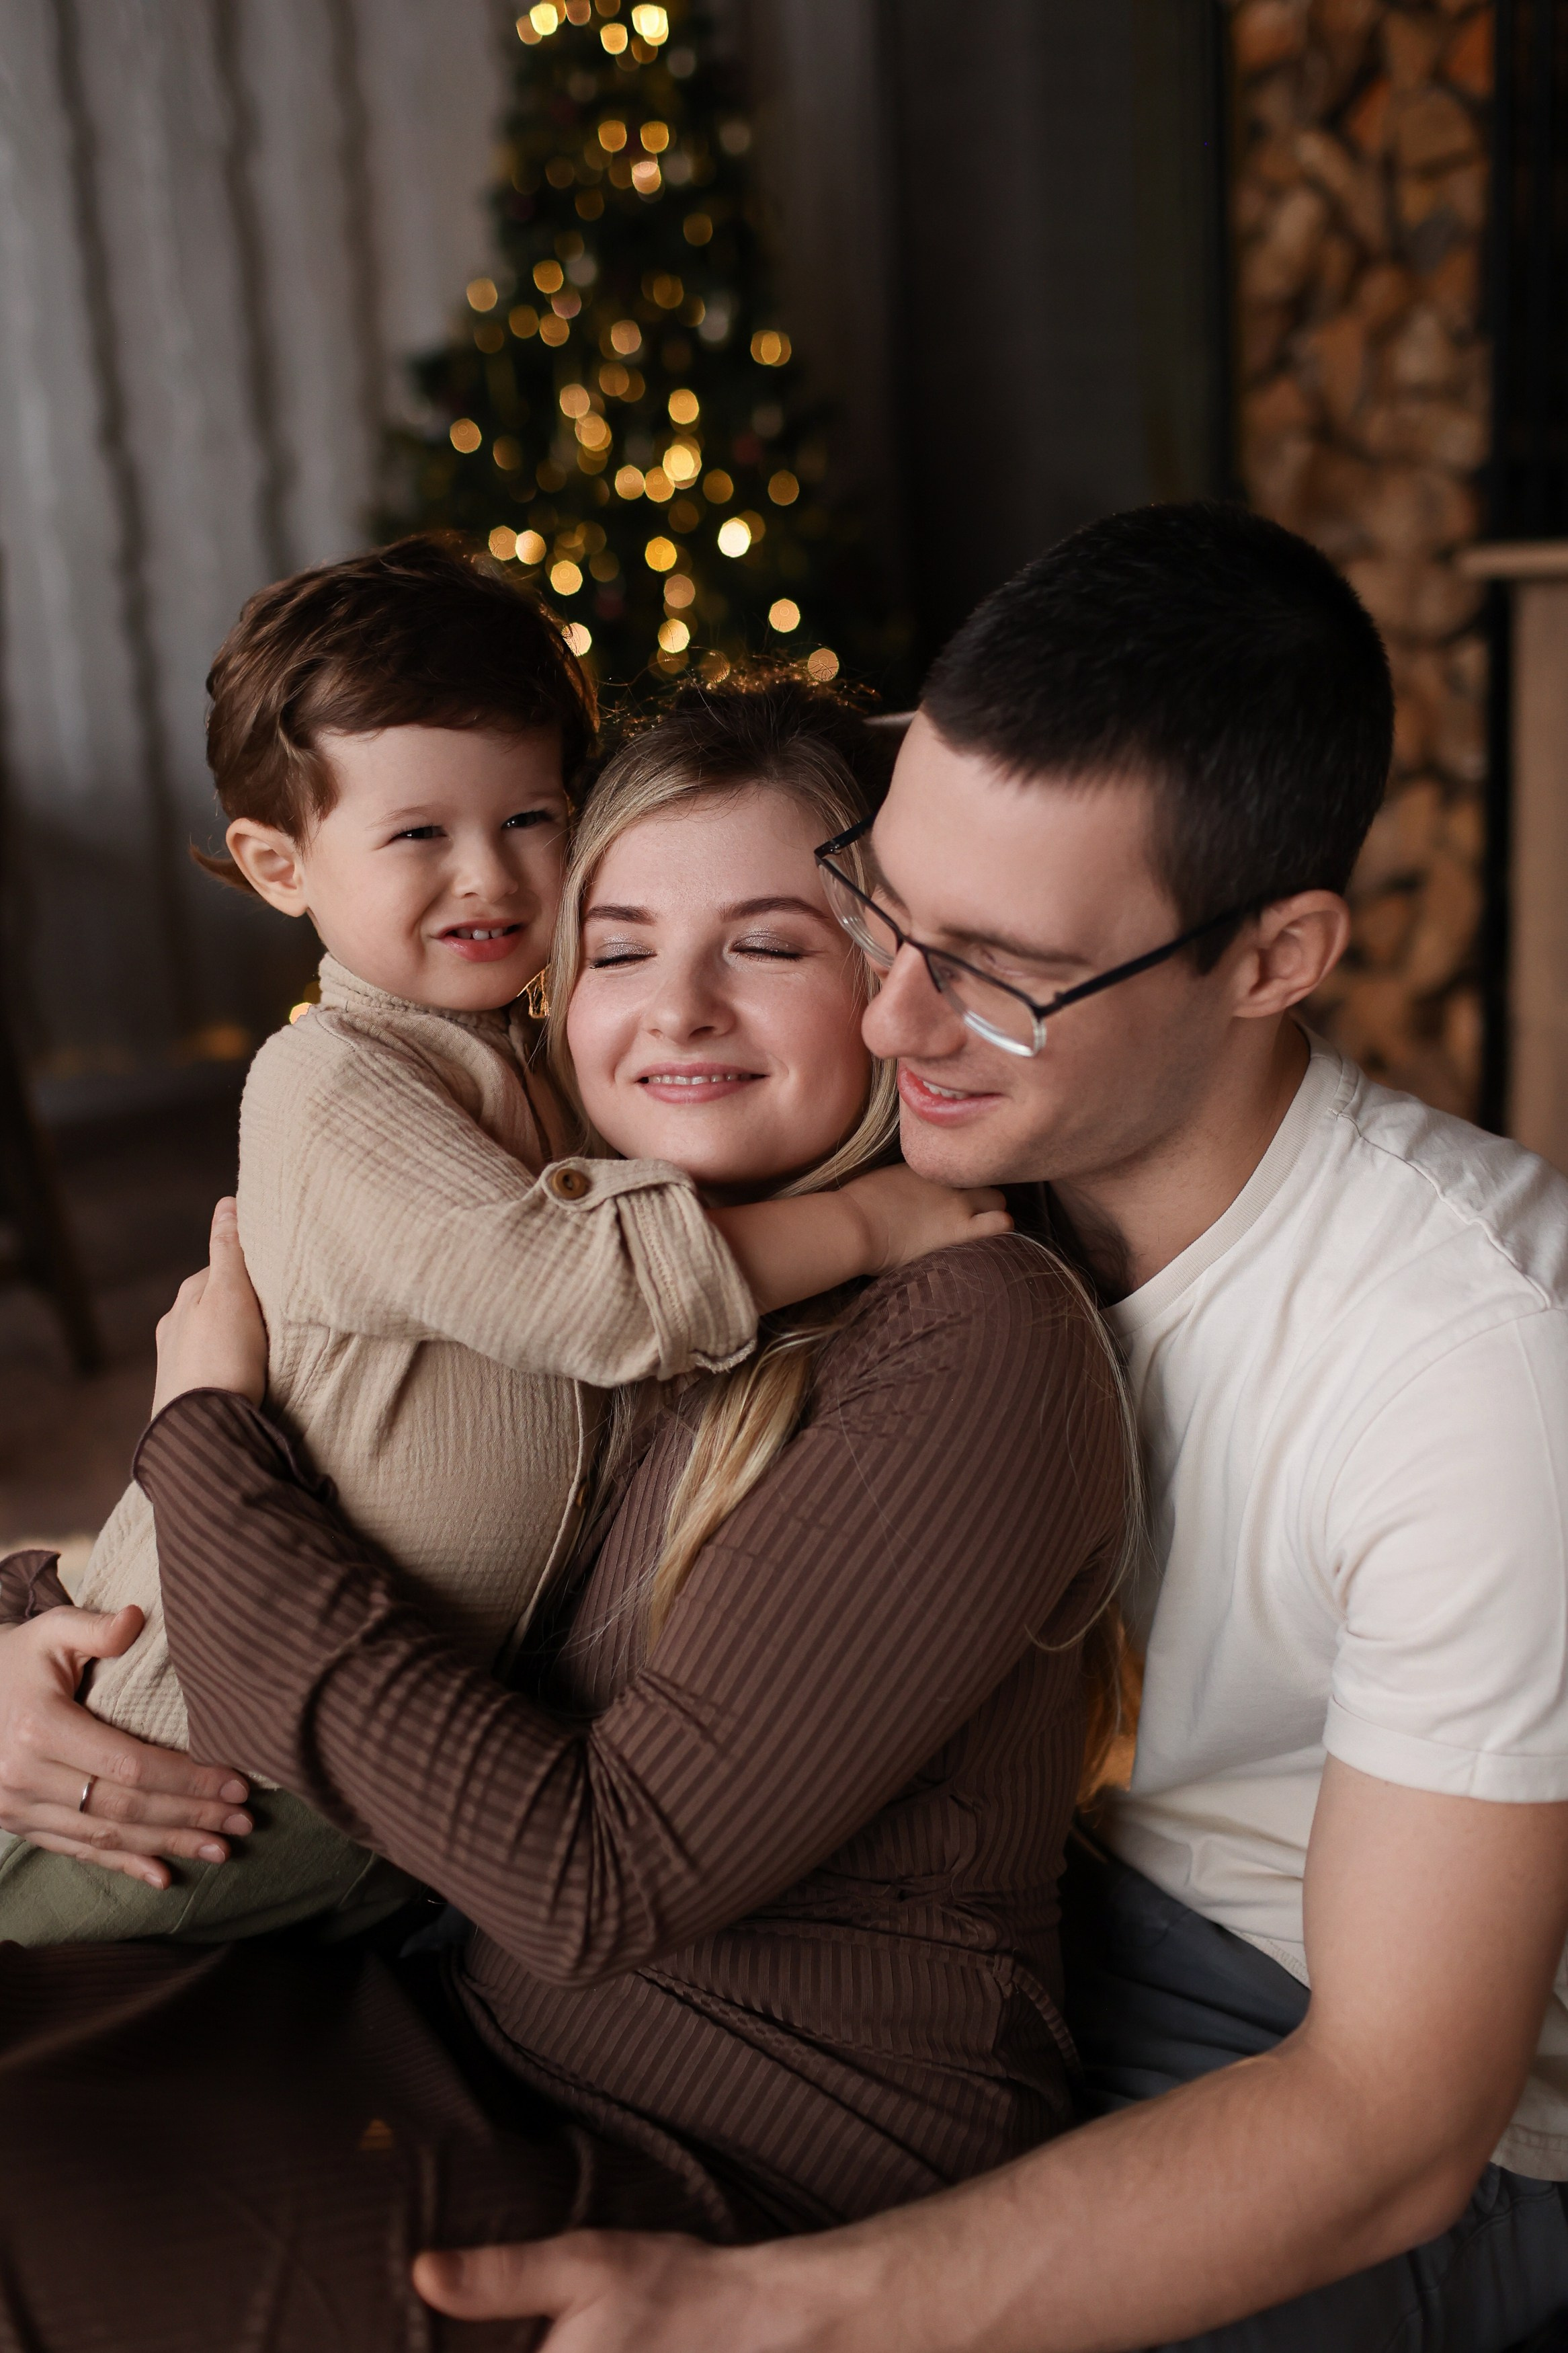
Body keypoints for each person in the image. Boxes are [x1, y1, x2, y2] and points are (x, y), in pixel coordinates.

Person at [393, 502, 1568, 2352]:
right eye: (884, 907)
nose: (894, 1008)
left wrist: (787, 2308)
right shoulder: (917, 1154)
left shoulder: (1477, 1363)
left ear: (1274, 957)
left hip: (1304, 2043)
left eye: (1000, 969)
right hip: (957, 1913)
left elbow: (1391, 2120)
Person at [0, 677, 1128, 2351]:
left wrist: (203, 1434)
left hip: (769, 2170)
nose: (675, 1007)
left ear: (889, 981)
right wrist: (31, 1634)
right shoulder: (596, 1274)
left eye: (767, 943)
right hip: (461, 2021)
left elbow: (595, 1882)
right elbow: (380, 1512)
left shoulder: (977, 1329)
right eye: (615, 946)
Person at [0, 545, 991, 1946]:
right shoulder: (332, 1084)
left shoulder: (534, 1056)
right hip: (184, 1748)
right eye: (419, 835)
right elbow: (581, 1292)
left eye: (533, 817)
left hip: (374, 1778)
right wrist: (866, 1219)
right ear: (278, 863)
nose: (492, 875)